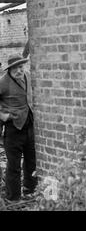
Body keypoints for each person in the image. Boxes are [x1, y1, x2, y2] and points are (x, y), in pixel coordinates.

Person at [0, 54, 37, 203]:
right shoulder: (3, 82)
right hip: (13, 128)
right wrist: (3, 116)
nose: (19, 71)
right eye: (15, 68)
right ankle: (13, 198)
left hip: (29, 124)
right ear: (9, 69)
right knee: (14, 165)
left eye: (21, 67)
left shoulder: (28, 76)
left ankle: (30, 189)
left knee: (31, 160)